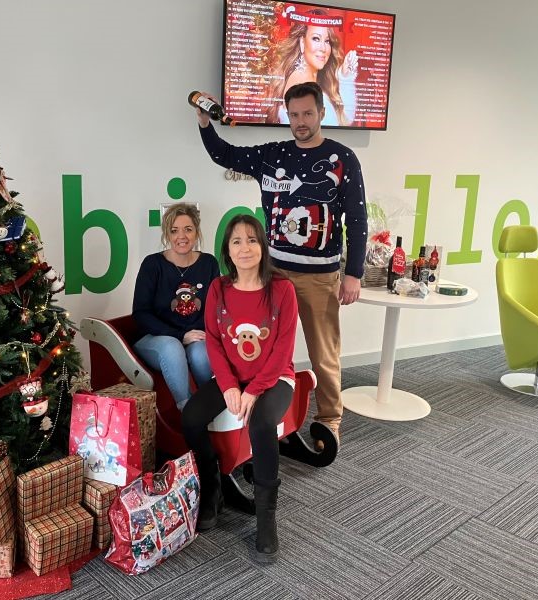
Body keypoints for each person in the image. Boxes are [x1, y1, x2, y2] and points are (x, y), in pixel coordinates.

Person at [193, 82, 368, 451]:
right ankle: (273, 419)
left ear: (322, 113)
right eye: (295, 114)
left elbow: (356, 217)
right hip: (271, 276)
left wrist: (353, 273)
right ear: (287, 115)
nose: (301, 121)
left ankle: (329, 420)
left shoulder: (343, 159)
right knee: (270, 352)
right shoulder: (271, 155)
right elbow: (225, 155)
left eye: (308, 113)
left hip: (320, 276)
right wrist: (205, 125)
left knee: (324, 352)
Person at [182, 214, 298, 562]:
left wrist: (253, 391)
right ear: (227, 251)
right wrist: (230, 385)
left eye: (251, 240)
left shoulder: (282, 289)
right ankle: (214, 487)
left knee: (261, 424)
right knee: (191, 417)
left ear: (262, 246)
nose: (245, 248)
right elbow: (215, 343)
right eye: (236, 242)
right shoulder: (218, 288)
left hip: (275, 379)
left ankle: (266, 518)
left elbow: (282, 351)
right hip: (232, 377)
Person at [132, 203, 220, 410]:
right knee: (172, 348)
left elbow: (215, 307)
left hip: (195, 337)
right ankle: (188, 412)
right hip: (156, 338)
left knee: (201, 354)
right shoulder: (153, 264)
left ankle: (213, 409)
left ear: (197, 232)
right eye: (174, 230)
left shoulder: (209, 263)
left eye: (188, 229)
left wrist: (205, 334)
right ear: (167, 234)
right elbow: (141, 313)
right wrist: (180, 335)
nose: (182, 236)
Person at [266, 8, 357, 126]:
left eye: (327, 41)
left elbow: (344, 120)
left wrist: (345, 77)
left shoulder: (312, 80)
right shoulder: (299, 85)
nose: (323, 48)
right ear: (302, 43)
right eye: (316, 38)